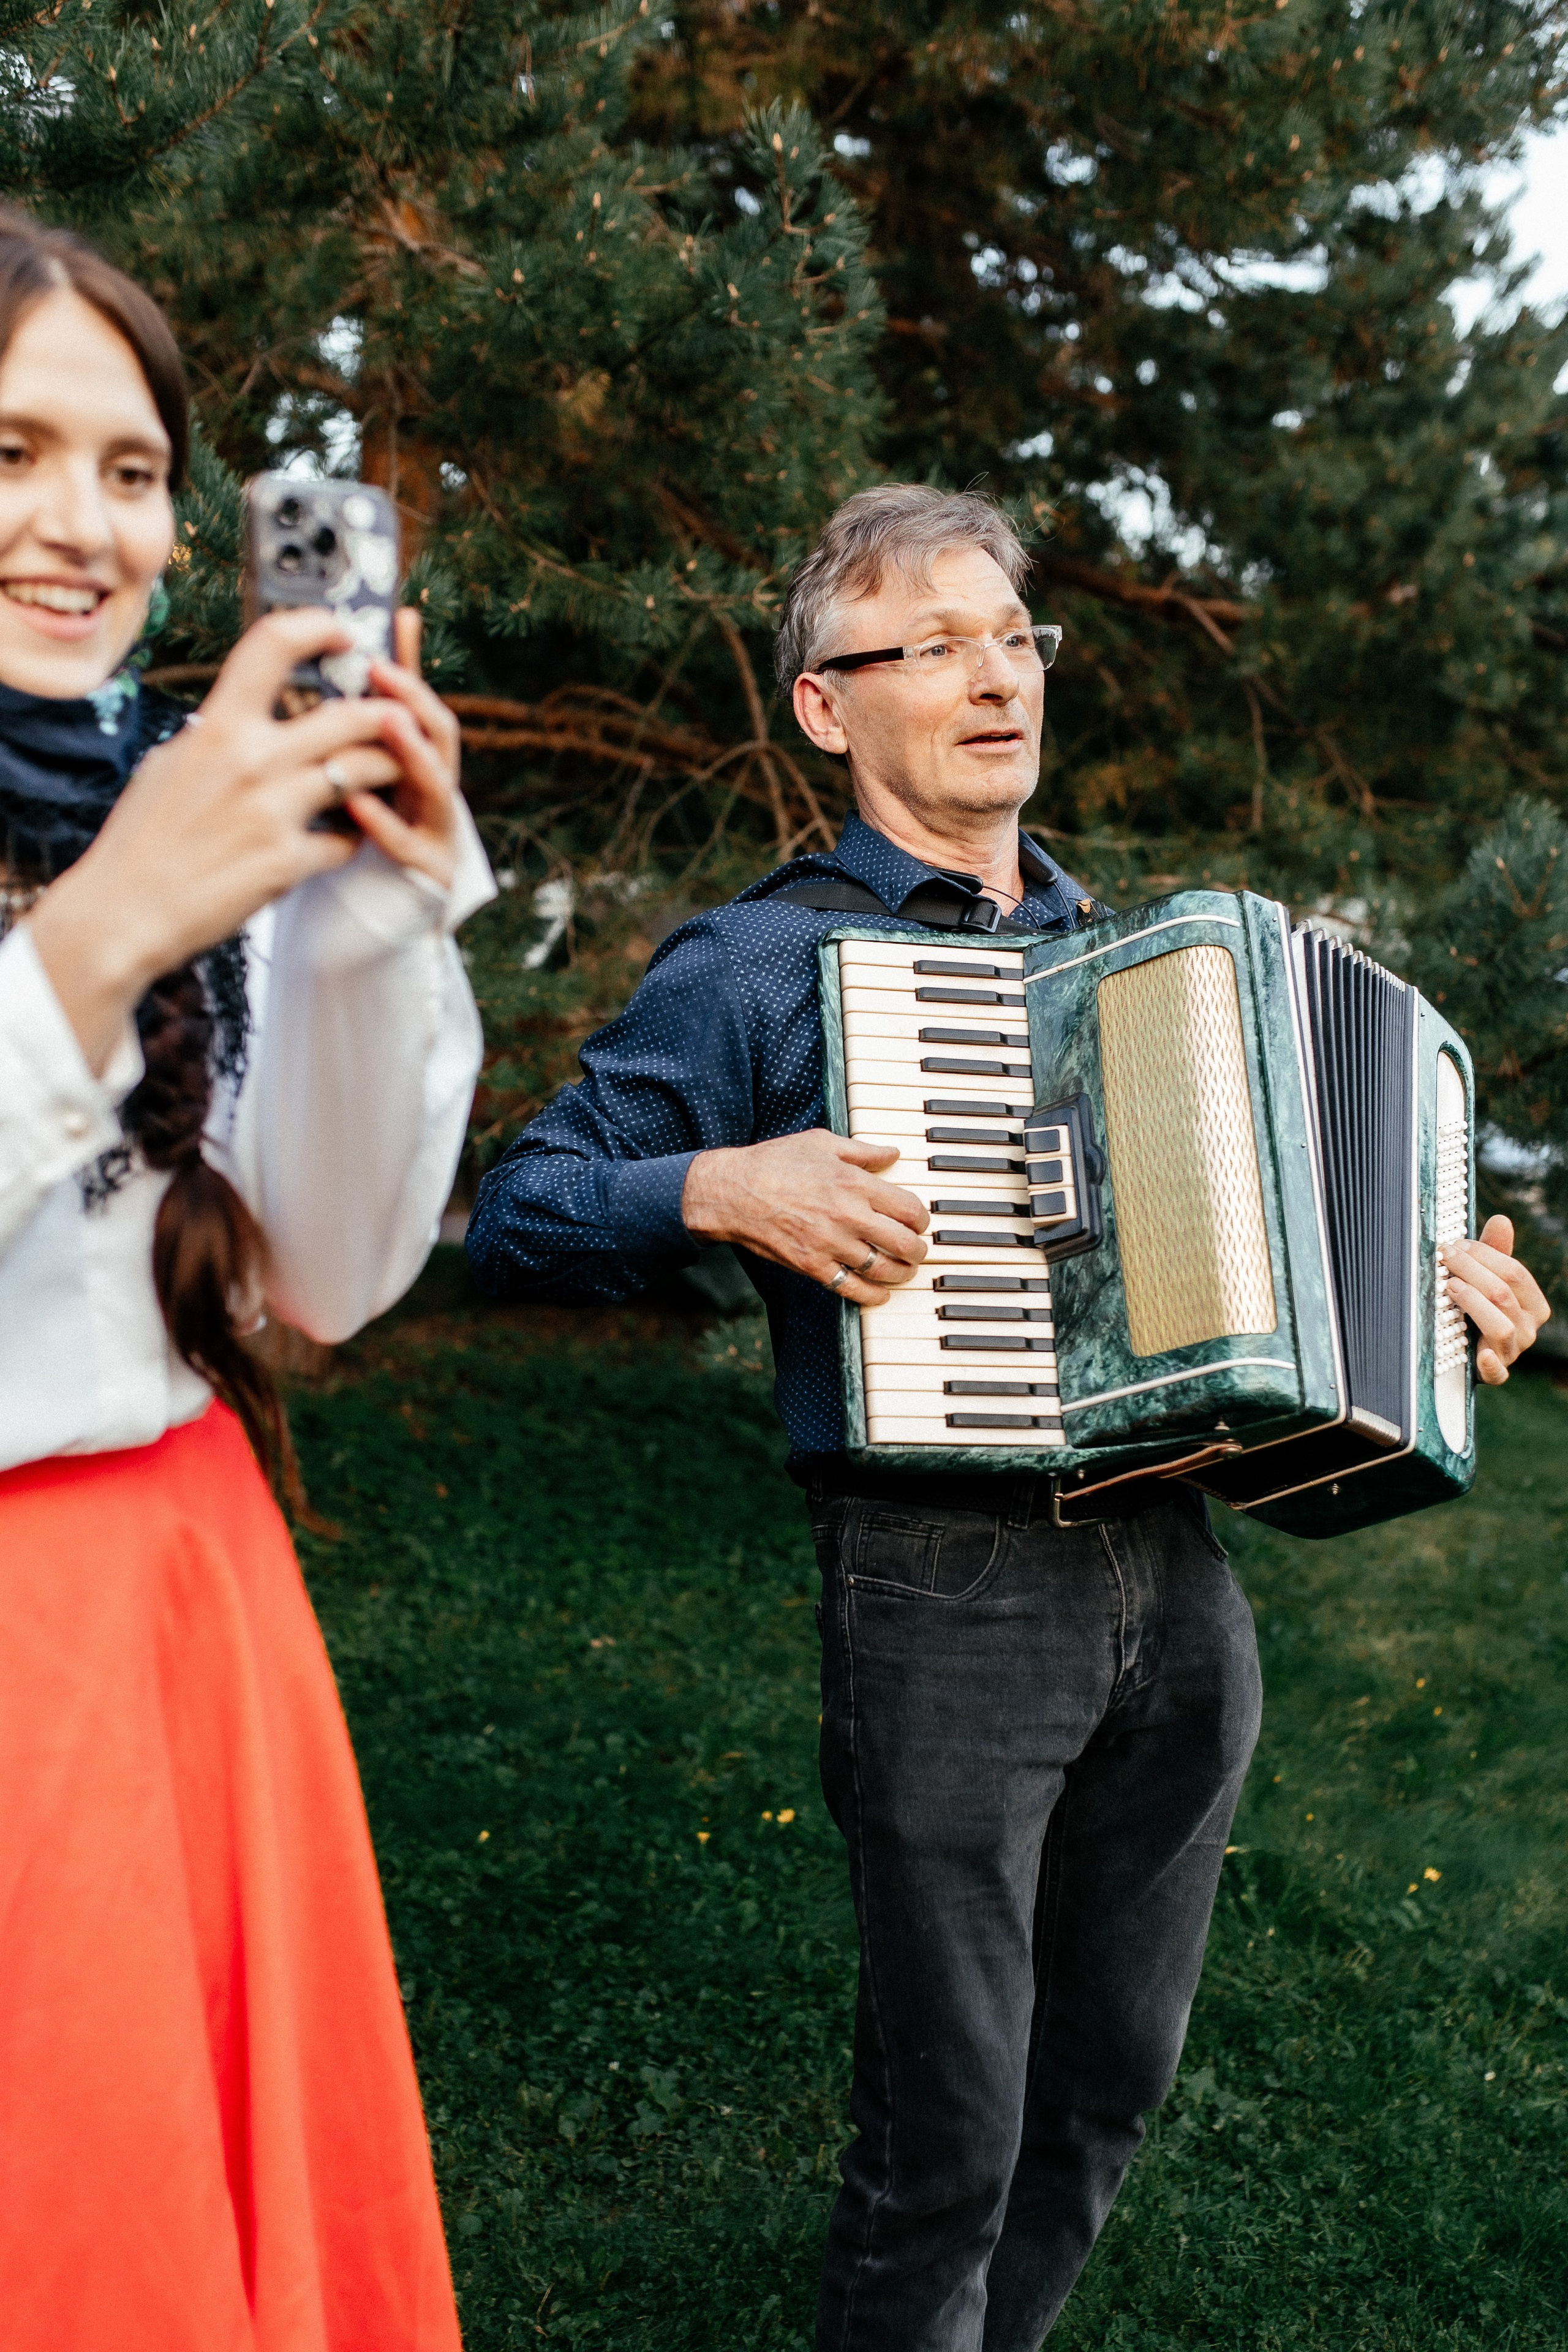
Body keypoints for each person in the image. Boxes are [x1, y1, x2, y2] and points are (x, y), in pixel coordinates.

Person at [465, 483, 1549, 2350]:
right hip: (942, 1587)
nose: (994, 680)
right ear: (828, 705)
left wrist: (1450, 1317)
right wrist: (717, 1189)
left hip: (1180, 1583)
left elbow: (1269, 1308)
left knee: (1102, 2096)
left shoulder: (1153, 977)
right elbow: (516, 1210)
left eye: (1014, 639)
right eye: (934, 645)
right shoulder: (755, 964)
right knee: (947, 2133)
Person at [0, 208, 494, 2349]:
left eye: (128, 472)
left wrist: (371, 920)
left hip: (189, 1602)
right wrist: (90, 944)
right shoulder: (138, 860)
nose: (77, 526)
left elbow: (336, 1276)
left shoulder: (166, 810)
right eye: (9, 452)